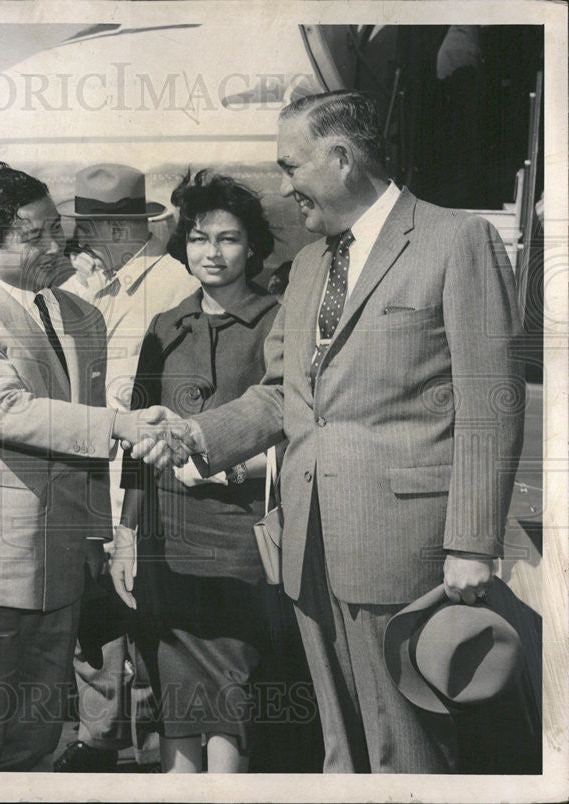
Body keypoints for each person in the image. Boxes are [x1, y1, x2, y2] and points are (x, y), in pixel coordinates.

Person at [130, 90, 525, 773]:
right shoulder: (312, 262)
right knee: (341, 748)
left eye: (291, 166)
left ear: (341, 160)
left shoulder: (456, 240)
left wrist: (470, 542)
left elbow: (491, 401)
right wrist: (197, 432)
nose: (284, 187)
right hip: (307, 547)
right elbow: (287, 393)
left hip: (405, 551)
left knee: (408, 747)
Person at [0, 154, 183, 771]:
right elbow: (9, 410)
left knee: (39, 738)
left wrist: (96, 530)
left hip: (65, 564)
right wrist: (120, 425)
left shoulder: (81, 315)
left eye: (52, 226)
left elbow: (83, 427)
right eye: (32, 234)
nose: (54, 243)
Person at [110, 169, 285, 773]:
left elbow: (295, 435)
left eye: (228, 238)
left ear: (253, 245)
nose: (212, 253)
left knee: (230, 692)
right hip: (165, 539)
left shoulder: (277, 323)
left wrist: (232, 475)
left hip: (242, 539)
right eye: (198, 238)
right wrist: (127, 533)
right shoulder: (165, 327)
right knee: (173, 692)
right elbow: (137, 435)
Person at [55, 163, 199, 772]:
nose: (84, 238)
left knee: (155, 622)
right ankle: (98, 739)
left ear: (121, 226)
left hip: (144, 481)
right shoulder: (83, 284)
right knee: (94, 620)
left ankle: (169, 751)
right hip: (88, 480)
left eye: (92, 226)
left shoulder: (173, 286)